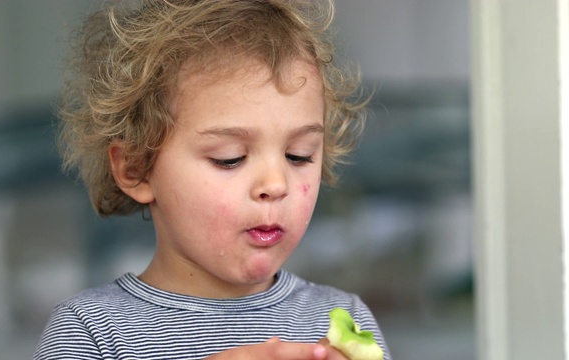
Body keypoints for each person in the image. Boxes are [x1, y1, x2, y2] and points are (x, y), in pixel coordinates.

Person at [34, 0, 392, 359]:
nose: (275, 184)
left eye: (298, 155)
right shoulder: (90, 330)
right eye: (230, 158)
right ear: (136, 168)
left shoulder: (341, 321)